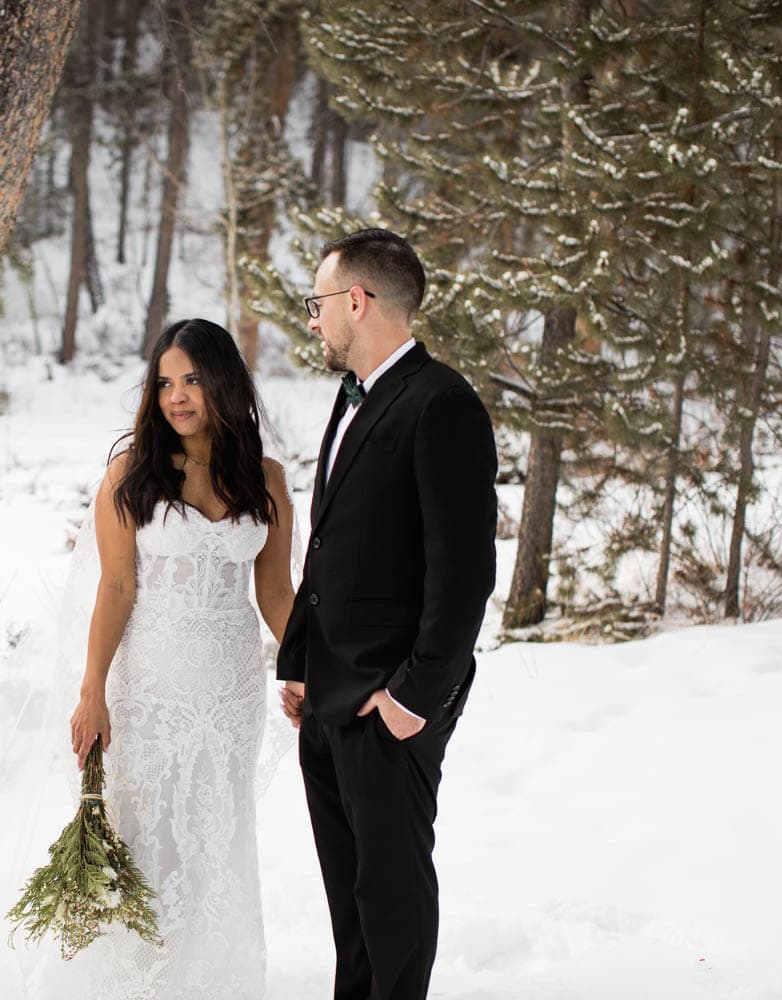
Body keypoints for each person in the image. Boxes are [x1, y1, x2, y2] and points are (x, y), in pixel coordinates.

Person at [44, 317, 297, 1000]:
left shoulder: (266, 477)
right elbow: (117, 585)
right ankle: (137, 983)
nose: (176, 396)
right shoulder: (132, 473)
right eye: (163, 382)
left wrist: (307, 664)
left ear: (223, 382)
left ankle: (213, 981)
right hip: (150, 688)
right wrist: (91, 689)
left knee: (219, 838)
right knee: (147, 838)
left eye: (190, 380)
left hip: (230, 694)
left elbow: (276, 592)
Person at [277, 229, 498, 1000]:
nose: (314, 321)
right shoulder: (353, 398)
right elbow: (331, 544)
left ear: (357, 301)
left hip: (389, 703)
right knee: (351, 901)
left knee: (392, 894)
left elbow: (465, 575)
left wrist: (412, 699)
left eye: (319, 303)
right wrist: (299, 663)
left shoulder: (443, 405)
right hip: (331, 694)